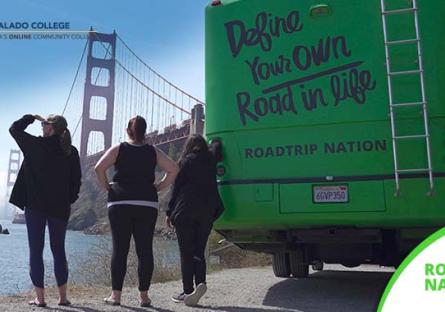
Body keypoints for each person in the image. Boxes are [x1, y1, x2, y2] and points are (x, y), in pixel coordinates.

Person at [94, 115, 179, 307]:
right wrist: (159, 187)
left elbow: (99, 168)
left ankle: (115, 296)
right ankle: (144, 297)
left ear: (127, 131)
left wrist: (108, 187)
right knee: (145, 250)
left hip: (119, 203)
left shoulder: (119, 149)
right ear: (145, 132)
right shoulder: (153, 151)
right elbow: (173, 169)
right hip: (146, 203)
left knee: (120, 249)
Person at [9, 114, 81, 308]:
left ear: (51, 128)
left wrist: (30, 118)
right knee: (59, 250)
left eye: (44, 124)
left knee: (36, 251)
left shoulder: (35, 145)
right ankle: (63, 298)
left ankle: (40, 299)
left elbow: (14, 129)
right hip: (60, 208)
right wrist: (67, 200)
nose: (42, 126)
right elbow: (76, 183)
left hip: (35, 208)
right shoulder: (71, 151)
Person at [167, 134, 224, 306]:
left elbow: (175, 189)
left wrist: (169, 212)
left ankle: (188, 291)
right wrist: (215, 140)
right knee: (198, 251)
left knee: (186, 252)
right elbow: (217, 145)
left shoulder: (184, 162)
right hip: (206, 212)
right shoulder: (211, 158)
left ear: (188, 147)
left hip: (185, 211)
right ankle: (201, 283)